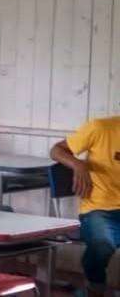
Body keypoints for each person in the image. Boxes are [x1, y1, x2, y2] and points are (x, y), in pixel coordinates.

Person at [49, 117, 120, 297]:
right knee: (102, 242)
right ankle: (94, 288)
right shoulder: (100, 128)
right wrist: (77, 163)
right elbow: (57, 150)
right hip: (100, 209)